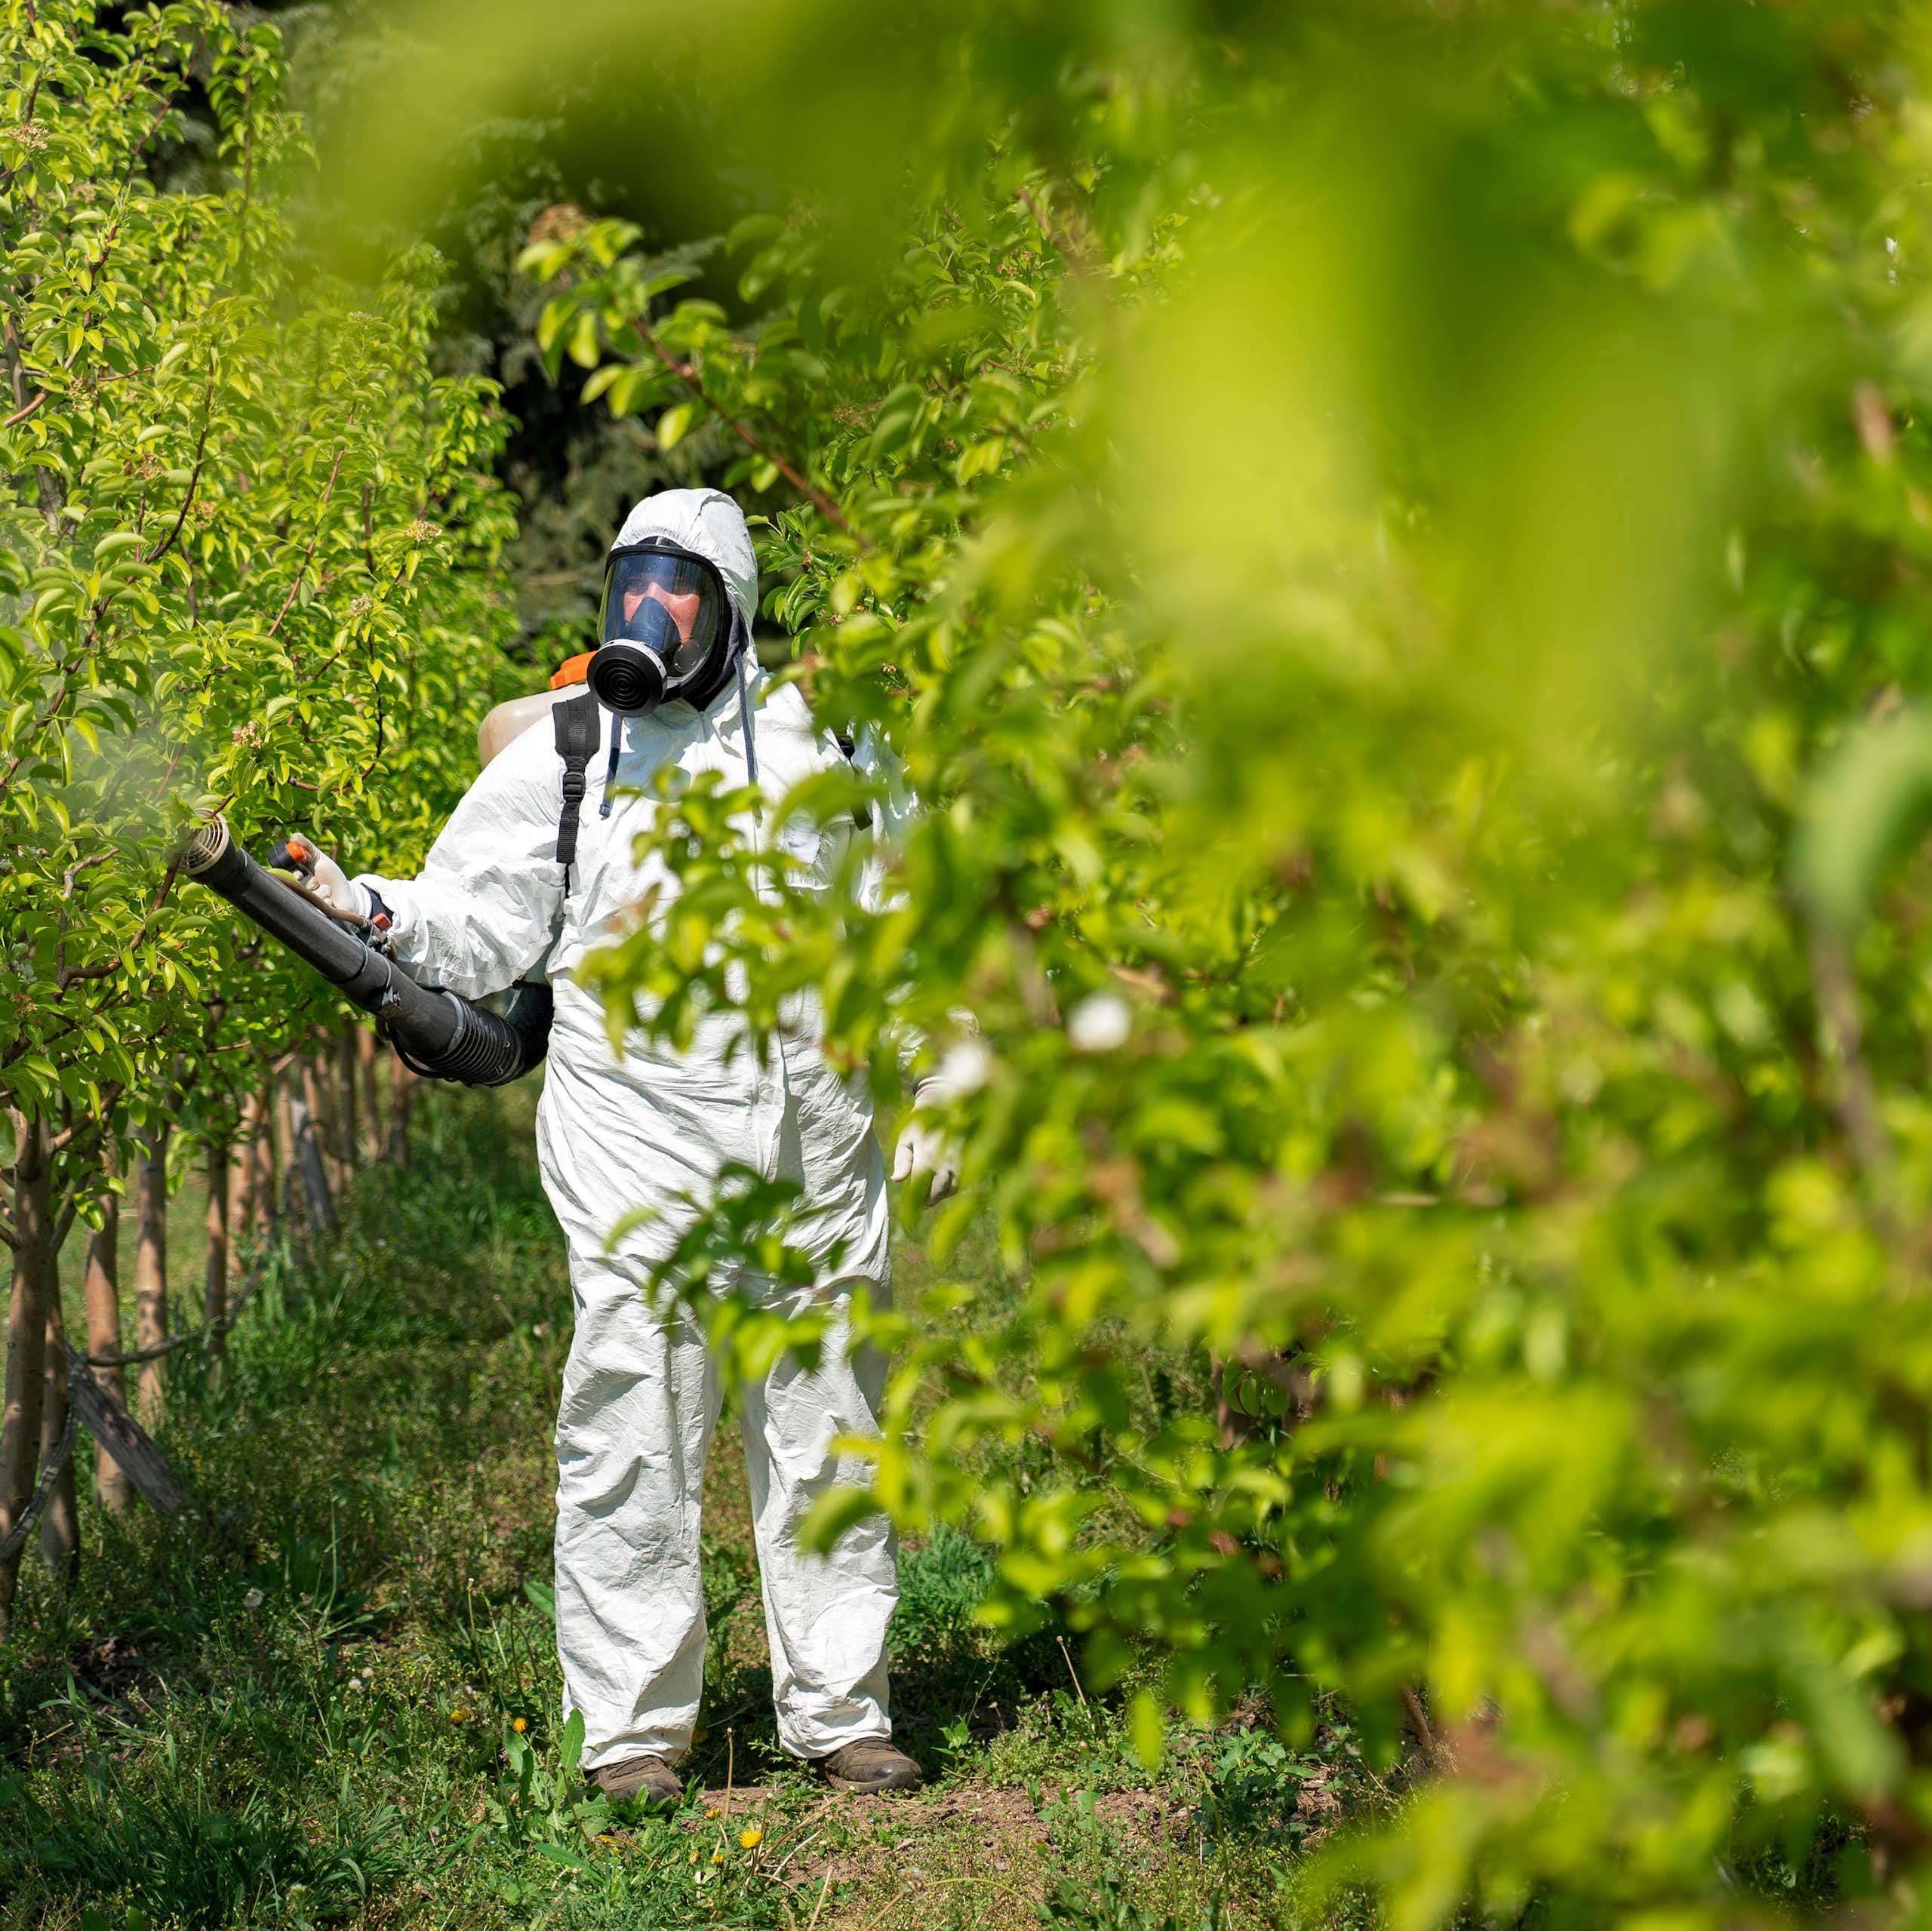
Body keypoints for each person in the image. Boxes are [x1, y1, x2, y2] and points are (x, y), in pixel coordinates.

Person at [285, 488, 951, 1801]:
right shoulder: (574, 750)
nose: (649, 614)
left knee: (829, 1431)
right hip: (634, 1152)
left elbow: (912, 924)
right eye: (631, 583)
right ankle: (636, 1737)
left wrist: (945, 1067)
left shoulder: (839, 743)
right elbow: (479, 924)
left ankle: (841, 1713)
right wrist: (366, 907)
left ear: (734, 607)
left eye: (679, 586)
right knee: (630, 1429)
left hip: (815, 1153)